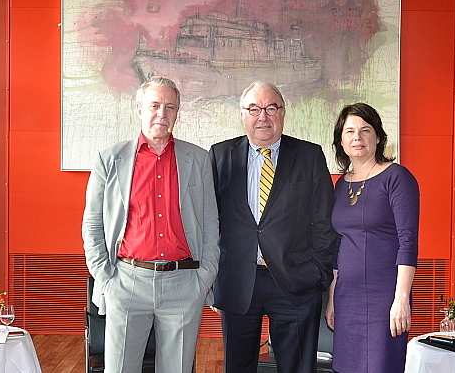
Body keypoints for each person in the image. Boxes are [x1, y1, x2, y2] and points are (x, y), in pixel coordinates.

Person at [82, 76, 220, 373]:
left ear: (177, 113)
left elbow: (211, 222)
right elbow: (92, 224)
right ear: (140, 109)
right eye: (155, 105)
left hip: (184, 283)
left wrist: (204, 277)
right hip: (127, 282)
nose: (162, 113)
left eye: (170, 107)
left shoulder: (198, 159)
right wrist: (105, 278)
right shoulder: (110, 159)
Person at [209, 81, 338, 373]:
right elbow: (209, 223)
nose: (262, 116)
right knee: (238, 366)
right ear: (243, 114)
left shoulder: (309, 155)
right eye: (254, 109)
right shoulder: (220, 156)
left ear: (283, 112)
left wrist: (317, 273)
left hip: (295, 282)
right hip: (238, 281)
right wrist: (213, 279)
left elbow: (325, 223)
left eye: (270, 108)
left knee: (295, 367)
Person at [326, 102, 419, 373]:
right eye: (350, 131)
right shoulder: (341, 184)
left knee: (381, 366)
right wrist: (333, 296)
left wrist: (401, 299)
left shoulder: (397, 177)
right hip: (347, 296)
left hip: (384, 298)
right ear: (341, 141)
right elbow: (338, 242)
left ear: (378, 137)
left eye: (365, 130)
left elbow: (408, 241)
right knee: (345, 367)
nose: (357, 137)